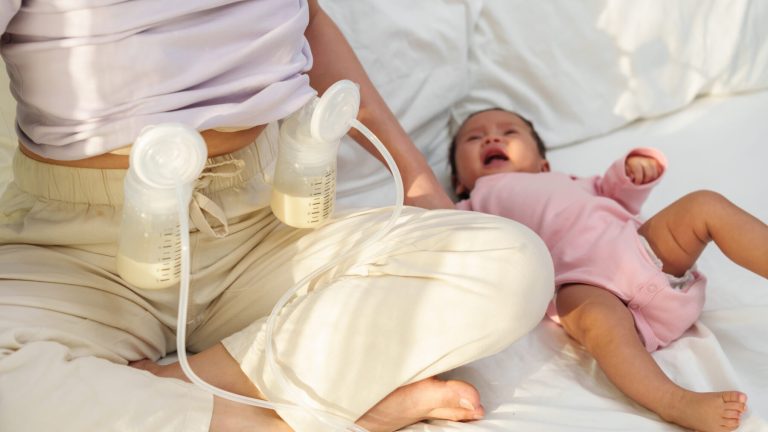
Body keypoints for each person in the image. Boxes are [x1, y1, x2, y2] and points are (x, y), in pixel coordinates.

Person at [0, 2, 556, 432]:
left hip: (264, 224)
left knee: (512, 263)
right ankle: (316, 416)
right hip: (76, 245)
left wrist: (421, 190)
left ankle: (175, 388)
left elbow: (307, 17)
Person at [449, 108, 767, 432]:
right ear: (458, 181)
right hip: (585, 284)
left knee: (704, 205)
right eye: (474, 138)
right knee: (592, 318)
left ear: (543, 164)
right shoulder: (471, 206)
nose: (492, 138)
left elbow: (619, 193)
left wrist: (634, 171)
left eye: (509, 132)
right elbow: (438, 223)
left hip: (643, 252)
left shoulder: (572, 182)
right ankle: (674, 401)